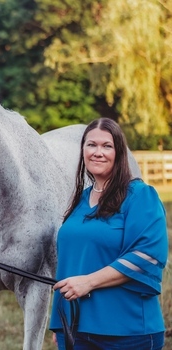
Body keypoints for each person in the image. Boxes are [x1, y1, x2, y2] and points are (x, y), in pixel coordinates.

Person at [49, 118, 169, 350]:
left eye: (107, 146)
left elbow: (147, 256)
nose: (98, 152)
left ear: (119, 153)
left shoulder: (140, 196)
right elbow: (71, 261)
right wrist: (61, 320)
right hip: (75, 329)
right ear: (83, 150)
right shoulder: (79, 201)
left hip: (128, 331)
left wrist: (88, 282)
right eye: (91, 145)